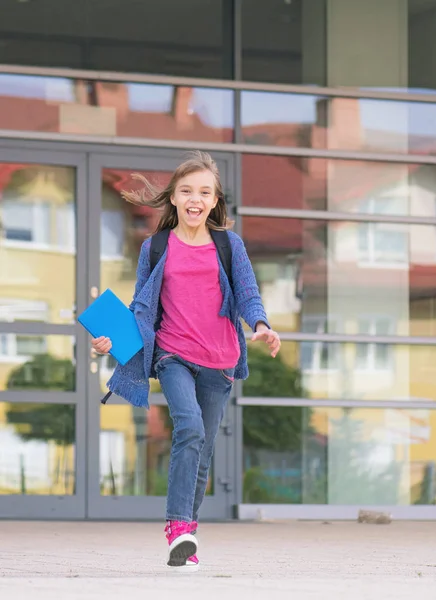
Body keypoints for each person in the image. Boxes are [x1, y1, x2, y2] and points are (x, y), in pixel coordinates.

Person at [91, 151, 281, 572]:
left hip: (220, 362)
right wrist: (113, 343)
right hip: (173, 355)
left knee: (202, 450)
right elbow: (142, 307)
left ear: (215, 201)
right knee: (189, 429)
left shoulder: (229, 245)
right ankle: (177, 528)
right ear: (173, 198)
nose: (195, 199)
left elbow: (247, 292)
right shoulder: (156, 247)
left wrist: (260, 324)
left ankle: (187, 539)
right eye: (187, 191)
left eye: (204, 192)